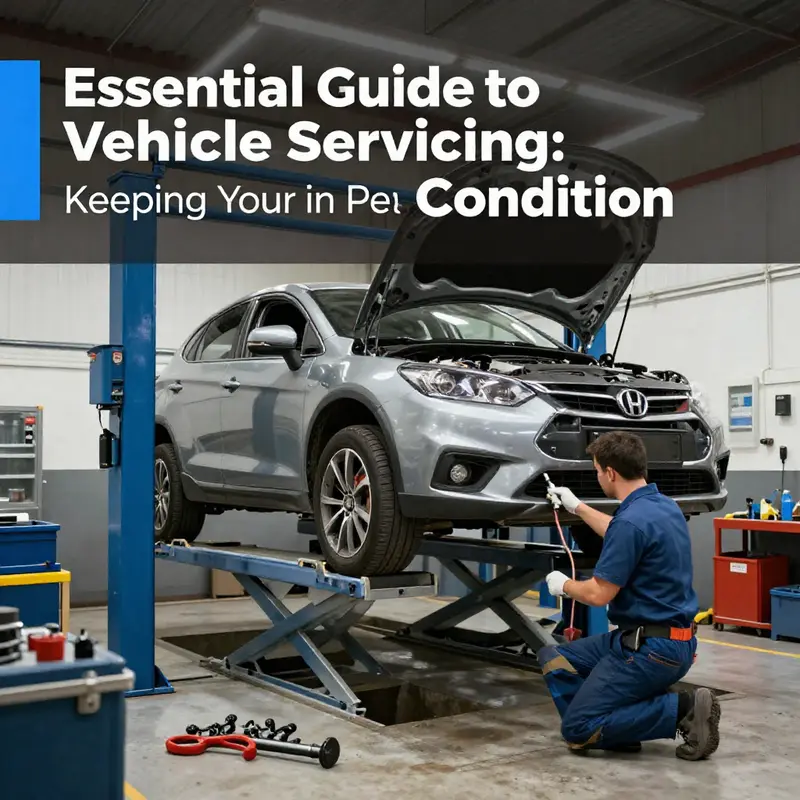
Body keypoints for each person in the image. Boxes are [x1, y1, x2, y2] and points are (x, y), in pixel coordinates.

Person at [538, 430, 721, 761]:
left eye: (597, 470)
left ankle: (684, 709)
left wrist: (563, 585)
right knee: (555, 658)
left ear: (610, 472)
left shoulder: (632, 520)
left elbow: (598, 594)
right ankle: (622, 728)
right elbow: (622, 530)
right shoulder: (664, 507)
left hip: (652, 650)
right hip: (669, 640)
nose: (597, 477)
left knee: (577, 729)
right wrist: (577, 507)